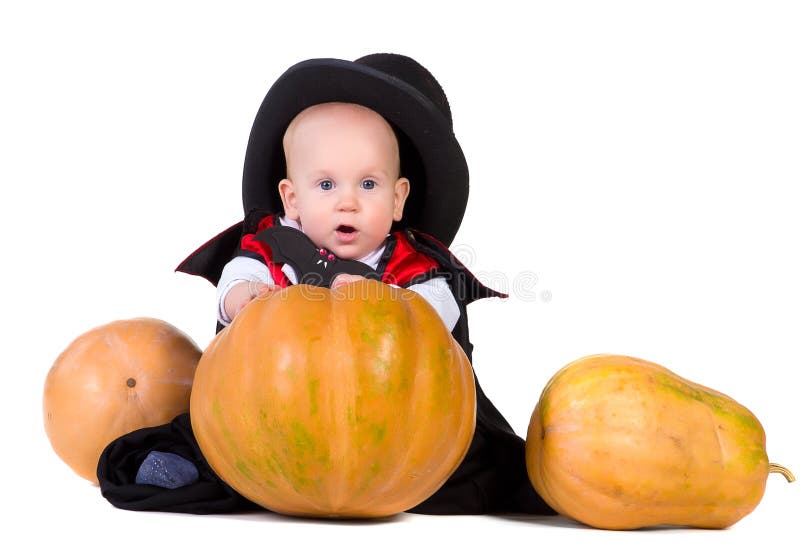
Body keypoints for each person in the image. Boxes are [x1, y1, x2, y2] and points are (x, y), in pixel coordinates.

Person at [97, 53, 555, 517]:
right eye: (327, 185)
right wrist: (242, 299)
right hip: (274, 420)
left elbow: (438, 310)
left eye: (369, 185)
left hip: (390, 429)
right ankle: (185, 466)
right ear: (291, 199)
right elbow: (241, 275)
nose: (348, 203)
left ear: (399, 200)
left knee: (476, 468)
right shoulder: (275, 246)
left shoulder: (409, 263)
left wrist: (390, 305)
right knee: (214, 439)